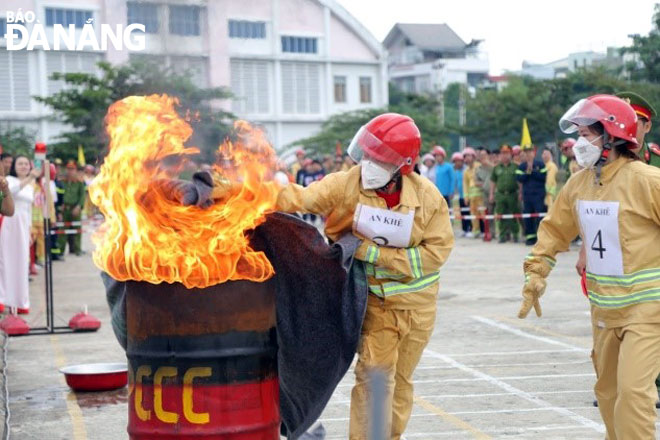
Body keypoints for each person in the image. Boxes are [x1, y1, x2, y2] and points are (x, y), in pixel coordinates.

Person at [276, 113, 454, 440]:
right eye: (367, 155)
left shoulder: (427, 199)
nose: (367, 164)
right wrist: (238, 191)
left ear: (402, 167)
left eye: (377, 158)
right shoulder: (347, 184)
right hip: (376, 306)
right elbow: (297, 197)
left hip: (418, 310)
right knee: (374, 381)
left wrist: (374, 254)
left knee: (400, 383)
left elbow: (436, 254)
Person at [518, 94, 660, 440]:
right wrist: (536, 272)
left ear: (611, 137)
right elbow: (554, 231)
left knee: (633, 395)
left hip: (646, 309)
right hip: (603, 309)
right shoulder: (579, 184)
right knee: (607, 394)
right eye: (578, 135)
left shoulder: (646, 180)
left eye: (586, 135)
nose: (578, 143)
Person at [0, 155, 40, 313]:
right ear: (13, 167)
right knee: (4, 261)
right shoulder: (8, 180)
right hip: (8, 223)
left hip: (22, 226)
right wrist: (30, 177)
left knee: (22, 262)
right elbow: (12, 192)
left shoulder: (31, 185)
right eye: (20, 163)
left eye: (26, 164)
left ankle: (20, 301)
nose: (23, 166)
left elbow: (29, 209)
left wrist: (30, 229)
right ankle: (2, 298)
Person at [617, 91, 659, 166]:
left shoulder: (657, 161)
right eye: (620, 120)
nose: (625, 126)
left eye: (632, 121)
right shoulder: (602, 159)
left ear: (647, 127)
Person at [516, 145, 547, 245]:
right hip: (527, 195)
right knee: (528, 217)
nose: (528, 154)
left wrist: (532, 171)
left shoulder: (540, 164)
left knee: (540, 216)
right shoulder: (521, 166)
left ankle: (541, 237)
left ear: (534, 153)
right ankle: (530, 237)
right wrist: (527, 172)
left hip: (539, 195)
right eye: (526, 152)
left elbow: (543, 177)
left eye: (530, 152)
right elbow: (519, 178)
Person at [490, 145, 519, 243]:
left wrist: (520, 194)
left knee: (514, 215)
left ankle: (515, 235)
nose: (504, 156)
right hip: (500, 195)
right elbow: (493, 182)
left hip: (512, 194)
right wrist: (491, 194)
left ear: (511, 154)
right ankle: (502, 235)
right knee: (500, 215)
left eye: (507, 153)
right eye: (502, 153)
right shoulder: (496, 168)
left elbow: (519, 182)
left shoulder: (515, 166)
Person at [56, 160, 86, 256]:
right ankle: (60, 250)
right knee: (62, 231)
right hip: (64, 209)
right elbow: (59, 196)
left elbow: (82, 195)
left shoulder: (80, 182)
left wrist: (79, 207)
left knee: (77, 230)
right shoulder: (62, 181)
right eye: (68, 169)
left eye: (72, 169)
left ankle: (77, 250)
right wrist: (59, 209)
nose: (70, 171)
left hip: (75, 208)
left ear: (76, 170)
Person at [462, 147, 483, 238]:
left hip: (481, 196)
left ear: (473, 156)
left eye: (469, 156)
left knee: (483, 214)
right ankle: (476, 231)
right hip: (472, 197)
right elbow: (465, 185)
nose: (467, 158)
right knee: (473, 214)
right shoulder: (466, 171)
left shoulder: (479, 166)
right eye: (465, 156)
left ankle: (486, 231)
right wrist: (466, 197)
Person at [475, 148, 494, 236]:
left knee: (502, 214)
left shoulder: (494, 166)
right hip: (485, 193)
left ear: (488, 156)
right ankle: (490, 233)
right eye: (481, 155)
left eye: (484, 155)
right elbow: (476, 182)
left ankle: (507, 233)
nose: (482, 157)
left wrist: (489, 164)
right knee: (488, 213)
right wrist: (483, 184)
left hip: (496, 192)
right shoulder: (478, 169)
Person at [451, 152, 471, 237]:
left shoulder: (466, 170)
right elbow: (455, 183)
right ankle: (464, 229)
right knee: (462, 213)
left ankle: (470, 229)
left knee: (468, 212)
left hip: (468, 195)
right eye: (456, 161)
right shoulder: (455, 172)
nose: (457, 163)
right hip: (461, 196)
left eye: (459, 161)